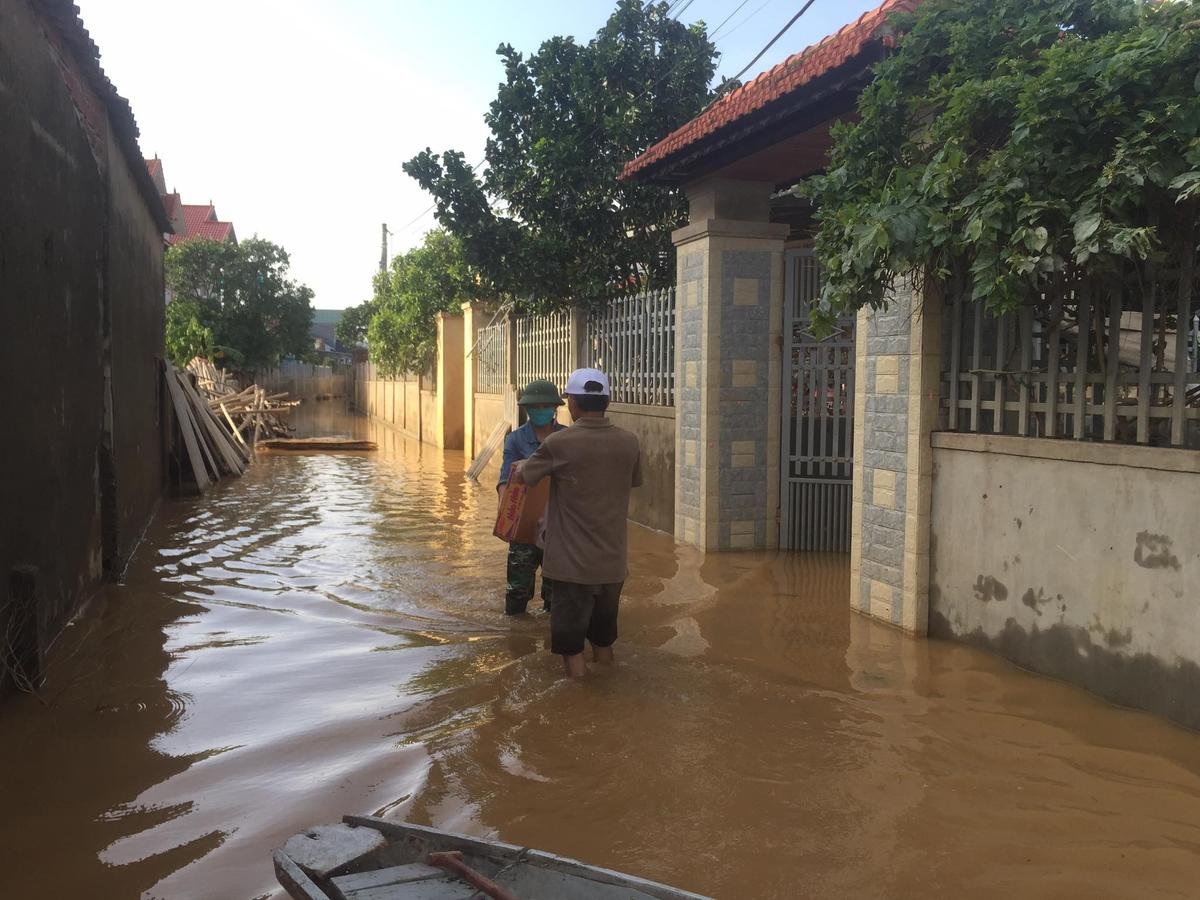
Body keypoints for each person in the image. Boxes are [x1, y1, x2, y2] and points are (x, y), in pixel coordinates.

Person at [513, 368, 641, 677]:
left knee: (571, 651)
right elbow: (634, 481)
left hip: (572, 569)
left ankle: (583, 706)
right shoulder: (629, 442)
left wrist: (522, 465)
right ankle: (608, 699)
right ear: (607, 401)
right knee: (603, 642)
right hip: (612, 566)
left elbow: (525, 476)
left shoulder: (560, 443)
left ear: (572, 404)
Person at [497, 378, 564, 615]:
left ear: (554, 408)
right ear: (526, 409)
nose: (539, 411)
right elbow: (506, 481)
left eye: (544, 406)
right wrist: (507, 518)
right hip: (524, 528)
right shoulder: (515, 440)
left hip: (558, 529)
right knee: (516, 595)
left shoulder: (567, 439)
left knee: (556, 598)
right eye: (534, 407)